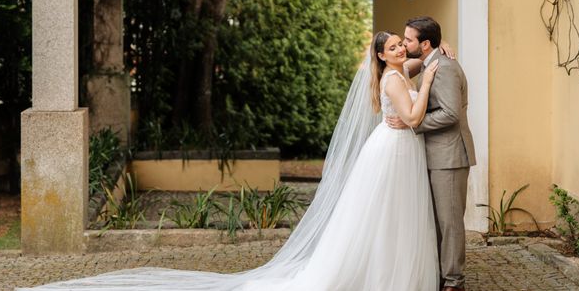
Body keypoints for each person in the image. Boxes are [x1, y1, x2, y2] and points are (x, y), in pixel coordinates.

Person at [24, 31, 446, 291]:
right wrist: (427, 79)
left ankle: (388, 273)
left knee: (387, 215)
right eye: (393, 46)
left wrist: (428, 59)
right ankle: (387, 276)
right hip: (394, 148)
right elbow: (411, 116)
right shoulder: (395, 77)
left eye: (401, 45)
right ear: (382, 55)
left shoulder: (394, 71)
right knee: (389, 215)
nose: (400, 49)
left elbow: (410, 67)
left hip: (392, 149)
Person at [386, 16, 476, 291]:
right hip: (435, 154)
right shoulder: (426, 62)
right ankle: (441, 276)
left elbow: (450, 113)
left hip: (449, 156)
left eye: (409, 40)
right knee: (437, 221)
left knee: (449, 222)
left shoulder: (445, 68)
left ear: (424, 44)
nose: (404, 44)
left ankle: (453, 282)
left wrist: (413, 123)